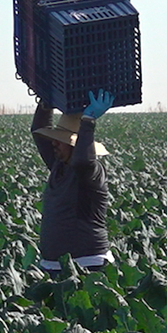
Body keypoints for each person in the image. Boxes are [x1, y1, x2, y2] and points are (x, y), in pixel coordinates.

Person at [31, 89, 115, 278]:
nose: (54, 144)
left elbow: (83, 160)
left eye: (60, 141)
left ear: (75, 145)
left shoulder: (89, 172)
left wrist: (88, 122)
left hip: (88, 265)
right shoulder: (59, 166)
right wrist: (45, 104)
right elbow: (38, 134)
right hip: (53, 266)